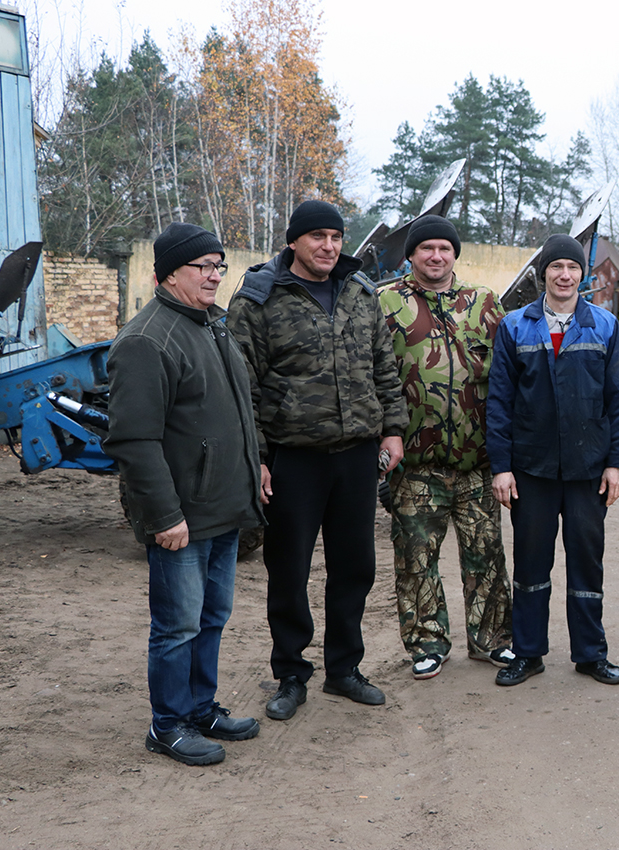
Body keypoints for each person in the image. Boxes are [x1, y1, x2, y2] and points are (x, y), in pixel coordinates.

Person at [228, 200, 407, 721]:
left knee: (355, 567)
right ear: (294, 243)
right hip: (294, 458)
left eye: (335, 236)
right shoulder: (259, 299)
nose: (328, 246)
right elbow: (245, 389)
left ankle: (344, 670)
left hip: (356, 454)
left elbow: (383, 366)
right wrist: (258, 458)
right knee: (288, 571)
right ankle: (290, 673)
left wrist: (392, 429)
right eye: (317, 237)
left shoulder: (359, 291)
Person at [105, 223, 264, 765]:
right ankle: (168, 723)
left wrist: (255, 465)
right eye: (205, 267)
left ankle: (200, 707)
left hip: (222, 508)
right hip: (183, 517)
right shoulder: (147, 340)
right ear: (169, 273)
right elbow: (133, 439)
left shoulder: (211, 325)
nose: (216, 276)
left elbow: (236, 411)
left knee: (212, 616)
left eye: (220, 266)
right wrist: (164, 515)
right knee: (177, 624)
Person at [486, 234, 619, 687]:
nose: (564, 275)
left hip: (589, 469)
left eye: (572, 267)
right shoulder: (514, 326)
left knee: (588, 563)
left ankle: (590, 653)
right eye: (556, 267)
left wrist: (616, 462)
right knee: (531, 564)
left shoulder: (604, 326)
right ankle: (528, 653)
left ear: (582, 273)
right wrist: (502, 467)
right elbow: (498, 403)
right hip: (533, 469)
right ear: (542, 273)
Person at [378, 215, 514, 681]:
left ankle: (492, 640)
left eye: (445, 249)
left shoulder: (485, 304)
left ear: (455, 254)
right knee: (416, 559)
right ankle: (427, 643)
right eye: (426, 249)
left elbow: (508, 379)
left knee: (487, 556)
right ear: (411, 255)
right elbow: (374, 376)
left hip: (477, 463)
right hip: (416, 466)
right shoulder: (386, 303)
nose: (436, 256)